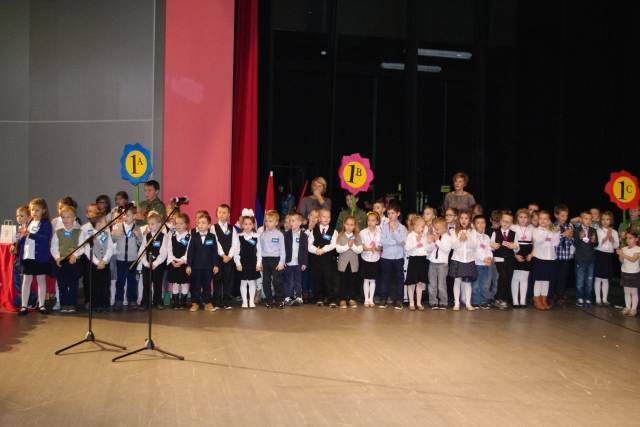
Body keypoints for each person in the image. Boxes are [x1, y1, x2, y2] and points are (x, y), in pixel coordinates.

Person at [18, 198, 52, 316]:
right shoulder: (29, 222)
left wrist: (30, 234)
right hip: (28, 256)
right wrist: (18, 242)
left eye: (37, 210)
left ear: (43, 210)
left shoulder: (46, 223)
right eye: (32, 210)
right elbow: (24, 238)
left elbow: (46, 238)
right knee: (26, 280)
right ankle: (24, 306)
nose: (34, 212)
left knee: (41, 280)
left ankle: (41, 304)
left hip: (40, 257)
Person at [51, 206, 82, 313]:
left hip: (73, 262)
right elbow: (54, 247)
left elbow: (82, 246)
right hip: (62, 262)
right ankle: (64, 304)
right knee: (62, 284)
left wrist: (75, 255)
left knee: (73, 284)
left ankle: (72, 304)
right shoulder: (58, 232)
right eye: (63, 217)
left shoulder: (79, 231)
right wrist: (57, 257)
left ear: (74, 218)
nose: (66, 220)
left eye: (68, 217)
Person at [186, 211, 220, 312]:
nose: (200, 225)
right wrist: (188, 265)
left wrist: (215, 265)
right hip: (195, 267)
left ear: (209, 225)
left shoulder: (212, 237)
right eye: (199, 223)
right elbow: (190, 252)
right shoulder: (194, 236)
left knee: (207, 285)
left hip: (208, 267)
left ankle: (208, 303)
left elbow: (215, 252)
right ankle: (195, 303)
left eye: (203, 223)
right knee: (195, 285)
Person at [111, 204, 142, 310]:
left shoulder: (137, 228)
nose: (125, 217)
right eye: (124, 215)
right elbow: (112, 240)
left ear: (134, 216)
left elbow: (141, 243)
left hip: (132, 259)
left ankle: (132, 300)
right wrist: (115, 235)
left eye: (128, 215)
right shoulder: (118, 226)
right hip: (120, 259)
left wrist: (138, 236)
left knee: (132, 281)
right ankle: (118, 300)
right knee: (120, 281)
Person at [83, 214, 114, 312]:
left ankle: (104, 304)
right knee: (95, 285)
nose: (107, 223)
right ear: (98, 224)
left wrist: (104, 260)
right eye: (105, 221)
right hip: (94, 265)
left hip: (105, 264)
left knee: (105, 285)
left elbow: (110, 248)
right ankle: (95, 305)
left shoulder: (106, 234)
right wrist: (97, 262)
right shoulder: (90, 235)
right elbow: (87, 251)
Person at [378, 202, 407, 310]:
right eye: (388, 213)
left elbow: (402, 241)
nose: (390, 215)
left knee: (399, 279)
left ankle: (399, 300)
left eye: (392, 213)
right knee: (385, 278)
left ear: (398, 214)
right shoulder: (384, 227)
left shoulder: (402, 228)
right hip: (386, 257)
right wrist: (395, 241)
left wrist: (394, 231)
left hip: (398, 257)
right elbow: (382, 241)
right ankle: (384, 299)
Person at [138, 211, 168, 310]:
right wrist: (146, 263)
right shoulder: (146, 236)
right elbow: (142, 250)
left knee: (157, 284)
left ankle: (158, 301)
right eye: (149, 224)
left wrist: (155, 263)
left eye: (152, 224)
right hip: (147, 264)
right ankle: (145, 302)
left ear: (159, 224)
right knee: (146, 284)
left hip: (157, 265)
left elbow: (163, 253)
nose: (150, 226)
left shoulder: (163, 236)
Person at [308, 208, 338, 307]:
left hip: (328, 260)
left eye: (328, 217)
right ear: (319, 218)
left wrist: (323, 250)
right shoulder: (313, 230)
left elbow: (333, 244)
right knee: (318, 278)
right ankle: (319, 298)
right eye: (324, 217)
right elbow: (309, 245)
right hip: (316, 259)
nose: (326, 219)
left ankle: (331, 299)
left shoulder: (334, 231)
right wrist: (316, 250)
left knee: (329, 279)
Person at [211, 204, 239, 310]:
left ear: (228, 215)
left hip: (229, 259)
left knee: (228, 280)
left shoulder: (232, 228)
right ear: (216, 214)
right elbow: (216, 242)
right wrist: (223, 255)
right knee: (217, 280)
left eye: (224, 213)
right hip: (218, 258)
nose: (222, 214)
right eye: (219, 212)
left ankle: (227, 301)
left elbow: (235, 243)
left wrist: (230, 256)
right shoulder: (213, 227)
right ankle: (217, 302)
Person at [531, 211, 560, 310]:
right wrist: (548, 232)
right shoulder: (536, 230)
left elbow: (555, 243)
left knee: (546, 280)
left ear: (549, 220)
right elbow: (539, 241)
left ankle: (544, 299)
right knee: (538, 280)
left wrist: (556, 233)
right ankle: (536, 299)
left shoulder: (551, 231)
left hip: (550, 258)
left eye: (545, 219)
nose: (543, 221)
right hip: (539, 258)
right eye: (541, 218)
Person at [449, 210, 478, 311]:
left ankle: (468, 303)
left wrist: (467, 238)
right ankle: (456, 303)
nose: (463, 220)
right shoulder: (453, 231)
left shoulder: (473, 231)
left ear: (469, 220)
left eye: (466, 218)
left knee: (467, 283)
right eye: (461, 218)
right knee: (457, 281)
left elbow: (474, 246)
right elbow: (453, 246)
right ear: (458, 219)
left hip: (469, 260)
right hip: (457, 259)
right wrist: (460, 239)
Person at [404, 216, 434, 311]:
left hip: (422, 260)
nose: (423, 228)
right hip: (414, 260)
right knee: (411, 283)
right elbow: (407, 248)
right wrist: (416, 242)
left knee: (420, 283)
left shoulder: (424, 236)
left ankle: (419, 302)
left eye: (424, 226)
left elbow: (429, 250)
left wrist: (430, 243)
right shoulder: (410, 236)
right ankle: (411, 302)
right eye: (422, 226)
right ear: (415, 226)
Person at [490, 211, 518, 309]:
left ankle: (504, 299)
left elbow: (517, 247)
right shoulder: (495, 233)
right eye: (504, 221)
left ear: (511, 223)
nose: (505, 223)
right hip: (499, 260)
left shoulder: (514, 234)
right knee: (501, 278)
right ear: (500, 221)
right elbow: (491, 246)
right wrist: (492, 246)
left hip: (510, 261)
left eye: (508, 222)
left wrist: (515, 247)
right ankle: (498, 299)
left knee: (508, 279)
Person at [260, 210, 286, 308]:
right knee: (266, 281)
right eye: (266, 221)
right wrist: (260, 262)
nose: (268, 223)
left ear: (276, 222)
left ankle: (279, 299)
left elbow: (282, 250)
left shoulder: (279, 234)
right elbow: (260, 249)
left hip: (276, 260)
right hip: (265, 260)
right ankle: (269, 300)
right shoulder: (263, 235)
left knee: (277, 281)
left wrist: (281, 262)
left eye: (270, 221)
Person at [335, 216, 363, 309]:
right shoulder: (340, 235)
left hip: (353, 263)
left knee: (352, 281)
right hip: (343, 264)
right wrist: (348, 245)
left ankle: (351, 299)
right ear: (344, 224)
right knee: (342, 281)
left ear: (354, 226)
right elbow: (338, 249)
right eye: (347, 224)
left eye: (351, 225)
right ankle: (342, 299)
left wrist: (352, 246)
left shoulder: (357, 236)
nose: (349, 226)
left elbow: (360, 250)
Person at [235, 213, 261, 309]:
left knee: (252, 282)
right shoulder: (239, 236)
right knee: (243, 282)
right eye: (245, 224)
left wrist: (258, 264)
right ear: (242, 225)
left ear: (253, 225)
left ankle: (251, 301)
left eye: (250, 224)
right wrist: (238, 263)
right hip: (243, 263)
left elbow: (259, 252)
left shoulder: (257, 236)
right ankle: (245, 302)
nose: (247, 226)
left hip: (252, 263)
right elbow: (236, 252)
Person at [594, 211, 619, 306]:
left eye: (607, 219)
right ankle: (598, 298)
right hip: (599, 254)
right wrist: (606, 236)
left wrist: (611, 238)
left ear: (611, 221)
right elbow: (597, 244)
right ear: (600, 220)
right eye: (603, 219)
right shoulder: (598, 231)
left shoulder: (614, 232)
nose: (605, 221)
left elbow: (616, 245)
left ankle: (604, 299)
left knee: (605, 278)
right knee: (598, 278)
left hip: (608, 256)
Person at [573, 211, 598, 308]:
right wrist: (580, 238)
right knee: (580, 281)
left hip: (590, 259)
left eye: (590, 219)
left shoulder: (593, 230)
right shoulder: (577, 230)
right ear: (581, 219)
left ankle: (588, 298)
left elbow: (596, 244)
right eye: (586, 218)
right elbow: (576, 244)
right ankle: (579, 298)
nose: (588, 221)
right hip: (580, 259)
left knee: (589, 281)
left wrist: (593, 241)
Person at [511, 209, 534, 308]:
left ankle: (523, 301)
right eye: (520, 217)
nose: (523, 219)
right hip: (516, 253)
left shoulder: (531, 228)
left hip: (527, 254)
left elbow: (535, 243)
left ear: (528, 218)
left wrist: (531, 254)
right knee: (515, 278)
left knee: (524, 278)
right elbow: (509, 243)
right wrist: (515, 255)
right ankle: (515, 301)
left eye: (525, 217)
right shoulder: (513, 227)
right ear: (517, 218)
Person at [167, 212, 191, 309]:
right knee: (175, 283)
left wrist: (182, 261)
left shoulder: (189, 236)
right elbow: (169, 249)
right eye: (176, 223)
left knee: (184, 283)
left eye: (181, 223)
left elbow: (189, 251)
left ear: (186, 225)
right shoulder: (172, 235)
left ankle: (183, 302)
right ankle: (175, 301)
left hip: (183, 264)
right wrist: (172, 260)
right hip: (173, 263)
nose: (178, 225)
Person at [427, 218, 452, 310]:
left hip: (442, 264)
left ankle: (443, 302)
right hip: (432, 263)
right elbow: (428, 250)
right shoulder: (434, 236)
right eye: (435, 228)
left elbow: (446, 249)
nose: (436, 230)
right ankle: (433, 301)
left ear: (445, 228)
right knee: (432, 284)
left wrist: (437, 241)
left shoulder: (448, 238)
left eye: (438, 229)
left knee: (441, 284)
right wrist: (432, 242)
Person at [284, 212, 308, 305]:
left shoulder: (304, 236)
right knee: (288, 280)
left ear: (299, 223)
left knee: (298, 280)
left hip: (298, 263)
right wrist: (283, 261)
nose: (291, 223)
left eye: (293, 221)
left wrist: (304, 263)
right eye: (290, 221)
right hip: (288, 262)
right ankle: (288, 296)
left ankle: (298, 296)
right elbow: (283, 249)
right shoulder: (286, 235)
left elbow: (305, 250)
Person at [552, 204, 574, 306]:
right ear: (556, 215)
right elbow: (553, 241)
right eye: (562, 215)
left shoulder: (569, 226)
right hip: (555, 256)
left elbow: (571, 242)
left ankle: (560, 296)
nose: (565, 218)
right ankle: (552, 295)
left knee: (563, 277)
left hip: (565, 257)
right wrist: (563, 235)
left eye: (566, 215)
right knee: (554, 276)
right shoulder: (553, 226)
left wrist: (570, 238)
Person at [359, 211, 382, 307]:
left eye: (373, 220)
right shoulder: (362, 232)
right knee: (366, 279)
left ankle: (371, 299)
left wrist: (376, 248)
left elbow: (381, 247)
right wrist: (369, 249)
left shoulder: (380, 232)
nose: (370, 222)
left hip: (375, 258)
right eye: (368, 220)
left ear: (377, 221)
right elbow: (361, 246)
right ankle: (366, 299)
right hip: (365, 258)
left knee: (373, 280)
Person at [471, 215, 493, 309]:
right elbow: (474, 251)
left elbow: (489, 249)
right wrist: (483, 258)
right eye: (478, 223)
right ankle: (475, 302)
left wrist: (490, 258)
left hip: (486, 264)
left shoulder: (486, 237)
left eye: (483, 222)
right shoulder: (472, 236)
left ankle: (484, 301)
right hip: (476, 264)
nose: (481, 225)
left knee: (485, 284)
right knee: (475, 284)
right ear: (474, 225)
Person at [616, 231, 640, 317]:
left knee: (634, 292)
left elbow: (633, 259)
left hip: (634, 273)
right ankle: (627, 307)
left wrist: (622, 254)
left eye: (630, 238)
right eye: (627, 238)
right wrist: (620, 255)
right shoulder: (624, 249)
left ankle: (633, 309)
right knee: (626, 292)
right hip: (625, 272)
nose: (628, 240)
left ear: (636, 239)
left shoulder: (638, 249)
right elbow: (621, 261)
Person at [11, 206, 30, 308]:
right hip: (18, 257)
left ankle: (29, 299)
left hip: (25, 257)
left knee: (23, 279)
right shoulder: (20, 228)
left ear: (28, 217)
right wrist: (13, 245)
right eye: (17, 215)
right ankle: (21, 297)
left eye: (21, 216)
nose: (19, 218)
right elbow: (16, 240)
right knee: (16, 277)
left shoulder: (28, 229)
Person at [302, 209, 320, 301]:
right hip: (304, 256)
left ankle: (312, 292)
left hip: (314, 255)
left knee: (313, 274)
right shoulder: (303, 227)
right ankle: (304, 292)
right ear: (308, 216)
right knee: (305, 274)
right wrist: (309, 229)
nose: (313, 218)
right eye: (312, 215)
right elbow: (302, 239)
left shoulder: (319, 229)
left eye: (316, 217)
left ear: (319, 219)